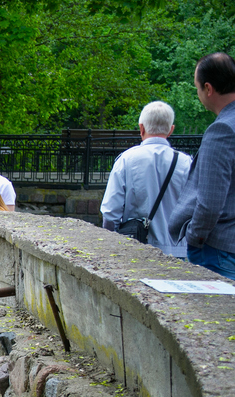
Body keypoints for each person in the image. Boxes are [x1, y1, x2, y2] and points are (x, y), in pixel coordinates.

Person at [168, 52, 235, 279]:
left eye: (196, 87)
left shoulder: (222, 130)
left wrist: (195, 238)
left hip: (220, 251)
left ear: (208, 88)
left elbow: (209, 203)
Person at [100, 101, 192, 258]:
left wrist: (110, 245)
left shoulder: (126, 159)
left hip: (137, 248)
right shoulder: (186, 162)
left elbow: (110, 213)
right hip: (178, 251)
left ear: (141, 128)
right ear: (171, 130)